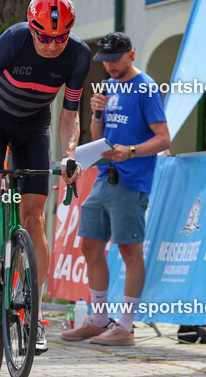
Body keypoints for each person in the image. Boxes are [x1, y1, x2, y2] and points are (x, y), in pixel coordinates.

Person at [0, 0, 87, 354]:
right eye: (43, 36)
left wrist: (68, 156)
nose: (50, 45)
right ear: (31, 28)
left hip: (34, 127)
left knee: (35, 221)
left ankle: (34, 312)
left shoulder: (78, 55)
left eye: (59, 38)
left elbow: (68, 115)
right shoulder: (14, 39)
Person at [61, 32, 171, 346]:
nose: (109, 65)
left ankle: (125, 326)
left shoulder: (146, 89)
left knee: (130, 252)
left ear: (131, 54)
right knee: (90, 248)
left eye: (114, 59)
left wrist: (131, 151)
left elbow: (164, 139)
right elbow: (100, 135)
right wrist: (97, 113)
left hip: (131, 180)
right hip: (102, 178)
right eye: (105, 60)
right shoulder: (111, 86)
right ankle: (98, 320)